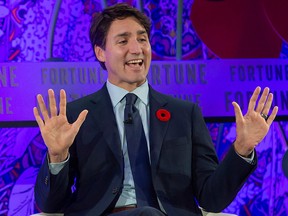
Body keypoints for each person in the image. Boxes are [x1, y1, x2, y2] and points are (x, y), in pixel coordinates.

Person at [33, 3, 278, 216]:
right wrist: (57, 157)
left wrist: (242, 149)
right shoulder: (78, 116)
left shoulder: (185, 114)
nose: (137, 49)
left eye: (142, 39)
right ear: (100, 53)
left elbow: (211, 198)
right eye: (123, 41)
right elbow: (51, 203)